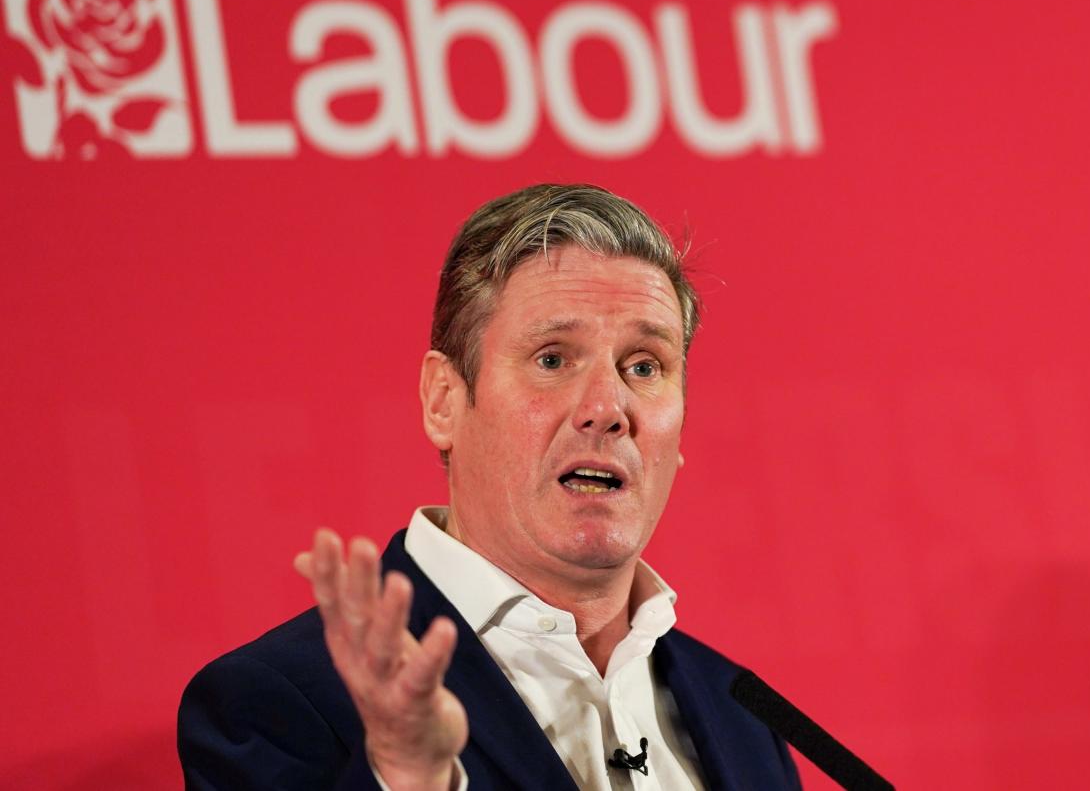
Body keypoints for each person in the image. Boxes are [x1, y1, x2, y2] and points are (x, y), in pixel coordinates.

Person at [177, 184, 801, 790]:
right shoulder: (282, 702)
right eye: (553, 359)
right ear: (444, 401)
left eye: (644, 366)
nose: (608, 408)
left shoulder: (742, 716)